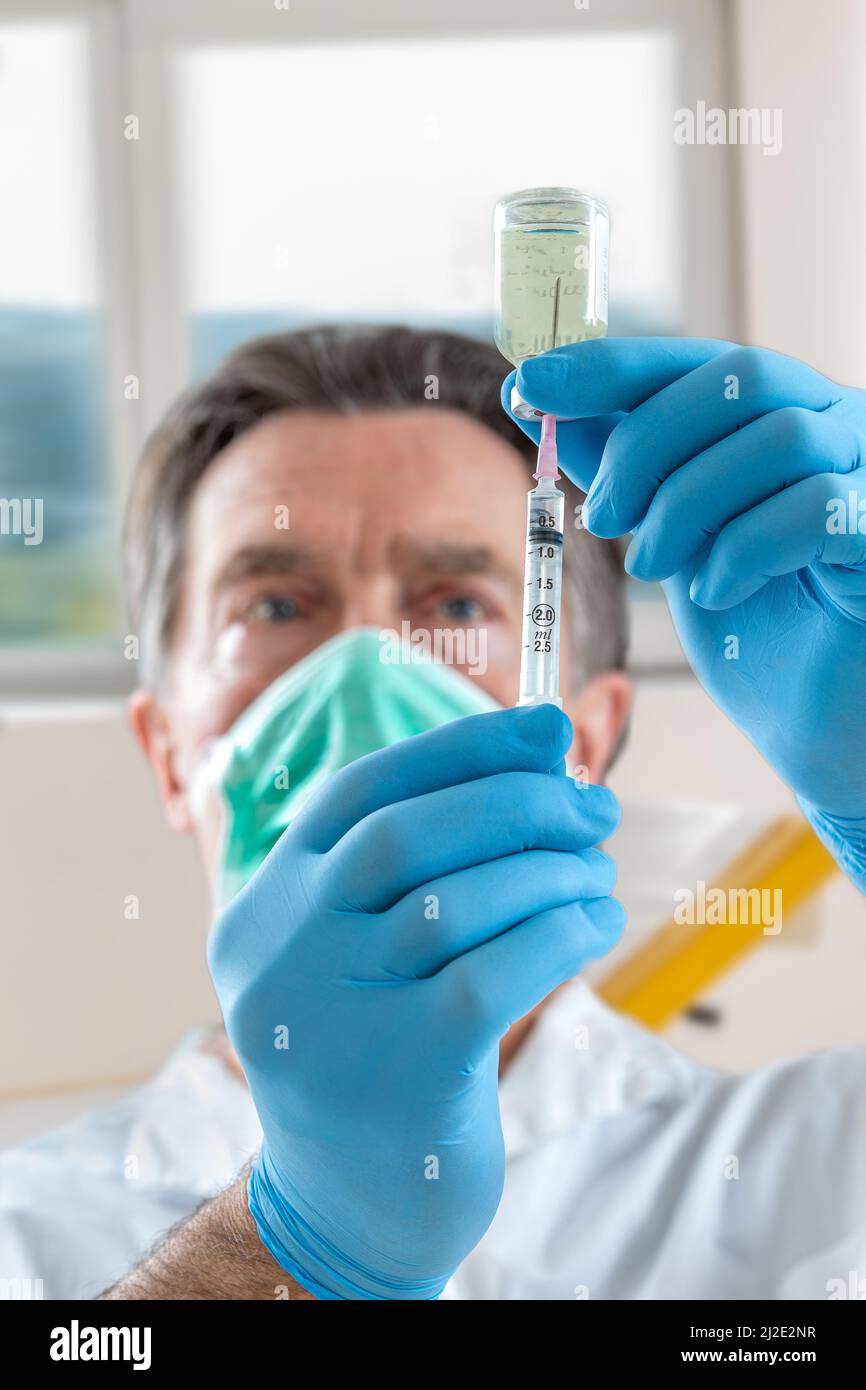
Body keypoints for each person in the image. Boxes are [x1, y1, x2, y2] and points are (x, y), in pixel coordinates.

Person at [2, 325, 865, 1301]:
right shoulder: (28, 1234)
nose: (366, 667)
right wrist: (289, 1247)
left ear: (587, 735)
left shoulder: (824, 1171)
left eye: (455, 606)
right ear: (167, 750)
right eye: (276, 607)